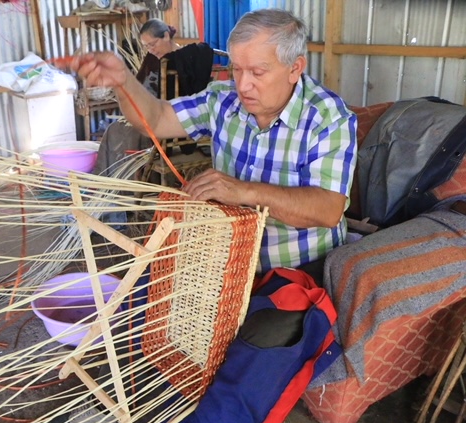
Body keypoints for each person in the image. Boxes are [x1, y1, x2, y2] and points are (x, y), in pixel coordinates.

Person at [72, 9, 358, 273]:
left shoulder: (328, 117)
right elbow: (156, 119)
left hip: (300, 270)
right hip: (227, 259)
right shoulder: (222, 98)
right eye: (236, 69)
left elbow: (328, 209)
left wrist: (244, 192)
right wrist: (123, 82)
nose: (243, 85)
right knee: (146, 300)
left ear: (295, 68)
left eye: (258, 72)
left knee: (258, 330)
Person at [92, 18, 214, 176]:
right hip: (151, 117)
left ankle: (127, 182)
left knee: (117, 132)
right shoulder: (155, 59)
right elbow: (140, 88)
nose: (151, 50)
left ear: (166, 36)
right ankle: (111, 182)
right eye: (146, 46)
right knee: (113, 129)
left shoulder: (181, 60)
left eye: (153, 44)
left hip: (168, 123)